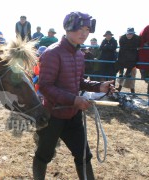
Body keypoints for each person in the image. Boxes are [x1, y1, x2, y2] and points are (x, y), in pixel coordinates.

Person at [34, 11, 115, 180]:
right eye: (80, 29)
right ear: (69, 28)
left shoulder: (79, 54)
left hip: (73, 115)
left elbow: (78, 82)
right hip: (53, 116)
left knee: (84, 155)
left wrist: (99, 86)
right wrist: (74, 99)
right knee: (44, 155)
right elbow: (45, 87)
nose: (84, 33)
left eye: (87, 29)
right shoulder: (52, 53)